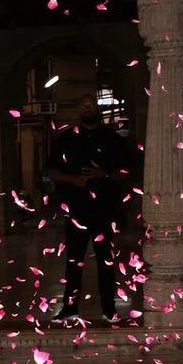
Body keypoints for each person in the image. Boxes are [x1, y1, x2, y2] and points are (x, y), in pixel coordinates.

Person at [47, 93, 131, 325]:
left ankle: (109, 309)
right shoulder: (65, 140)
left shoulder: (113, 139)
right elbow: (51, 171)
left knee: (106, 260)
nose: (87, 108)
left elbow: (127, 171)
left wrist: (104, 174)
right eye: (82, 105)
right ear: (78, 109)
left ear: (97, 107)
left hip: (105, 211)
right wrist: (72, 179)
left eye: (91, 104)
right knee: (74, 260)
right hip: (76, 211)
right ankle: (69, 309)